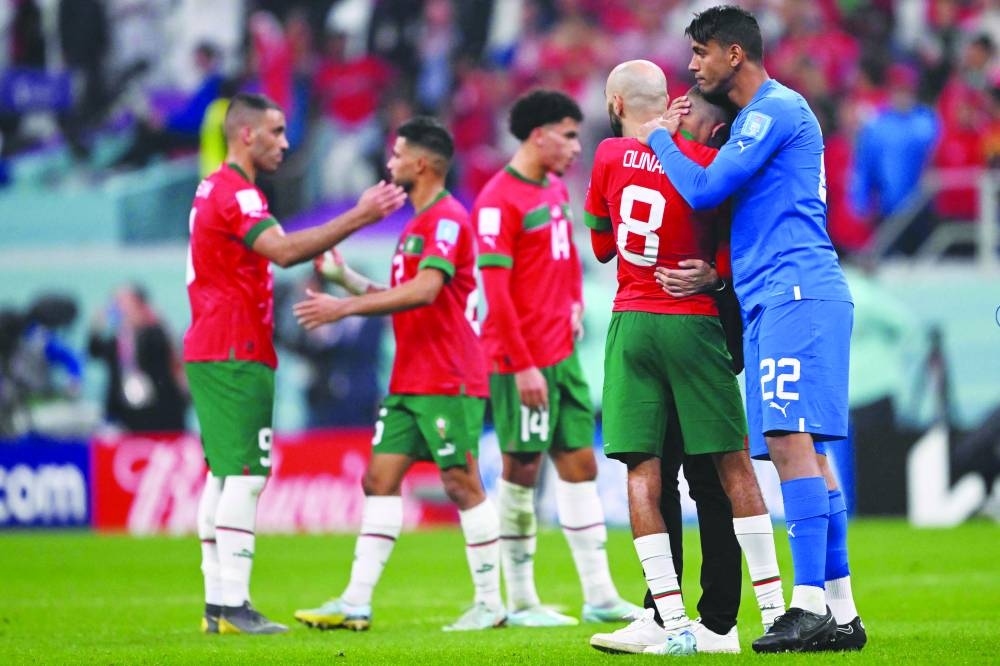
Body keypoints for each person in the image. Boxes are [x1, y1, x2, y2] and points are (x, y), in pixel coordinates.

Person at [636, 5, 865, 653]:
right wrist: (716, 277)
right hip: (774, 295)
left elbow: (706, 190)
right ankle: (842, 613)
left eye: (700, 54)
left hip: (798, 291)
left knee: (791, 441)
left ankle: (810, 603)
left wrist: (657, 137)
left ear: (733, 54)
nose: (691, 66)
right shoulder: (759, 119)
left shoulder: (773, 109)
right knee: (806, 451)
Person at [184, 91, 405, 636]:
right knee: (244, 475)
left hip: (217, 344)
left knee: (222, 475)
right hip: (234, 349)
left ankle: (219, 604)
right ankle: (234, 605)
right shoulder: (239, 194)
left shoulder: (217, 187)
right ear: (246, 135)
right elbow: (282, 252)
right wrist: (359, 214)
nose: (285, 143)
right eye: (276, 132)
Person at [584, 61, 783, 656]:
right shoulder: (712, 171)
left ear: (615, 103)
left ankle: (699, 622)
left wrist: (715, 276)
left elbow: (600, 244)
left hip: (638, 317)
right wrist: (714, 271)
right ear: (668, 102)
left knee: (663, 474)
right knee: (720, 472)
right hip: (695, 327)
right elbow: (740, 245)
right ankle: (731, 618)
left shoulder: (609, 156)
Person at [291, 116, 504, 633]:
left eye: (397, 154)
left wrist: (343, 311)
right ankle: (356, 602)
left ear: (423, 164)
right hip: (411, 379)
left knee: (460, 483)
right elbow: (400, 301)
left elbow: (426, 291)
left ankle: (491, 604)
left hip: (448, 375)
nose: (389, 163)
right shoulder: (415, 225)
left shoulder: (448, 220)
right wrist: (347, 281)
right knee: (378, 479)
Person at [472, 89, 641, 627]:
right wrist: (522, 365)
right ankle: (520, 599)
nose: (576, 147)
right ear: (538, 134)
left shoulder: (551, 189)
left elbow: (565, 264)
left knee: (581, 463)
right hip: (521, 359)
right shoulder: (499, 200)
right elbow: (494, 291)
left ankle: (598, 594)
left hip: (562, 354)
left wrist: (571, 305)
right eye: (568, 136)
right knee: (522, 469)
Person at [88, 284, 188, 433]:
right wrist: (97, 324)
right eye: (116, 303)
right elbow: (94, 351)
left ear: (140, 306)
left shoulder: (155, 334)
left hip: (161, 416)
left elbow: (165, 352)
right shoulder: (117, 340)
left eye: (124, 303)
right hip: (125, 417)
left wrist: (149, 319)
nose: (120, 308)